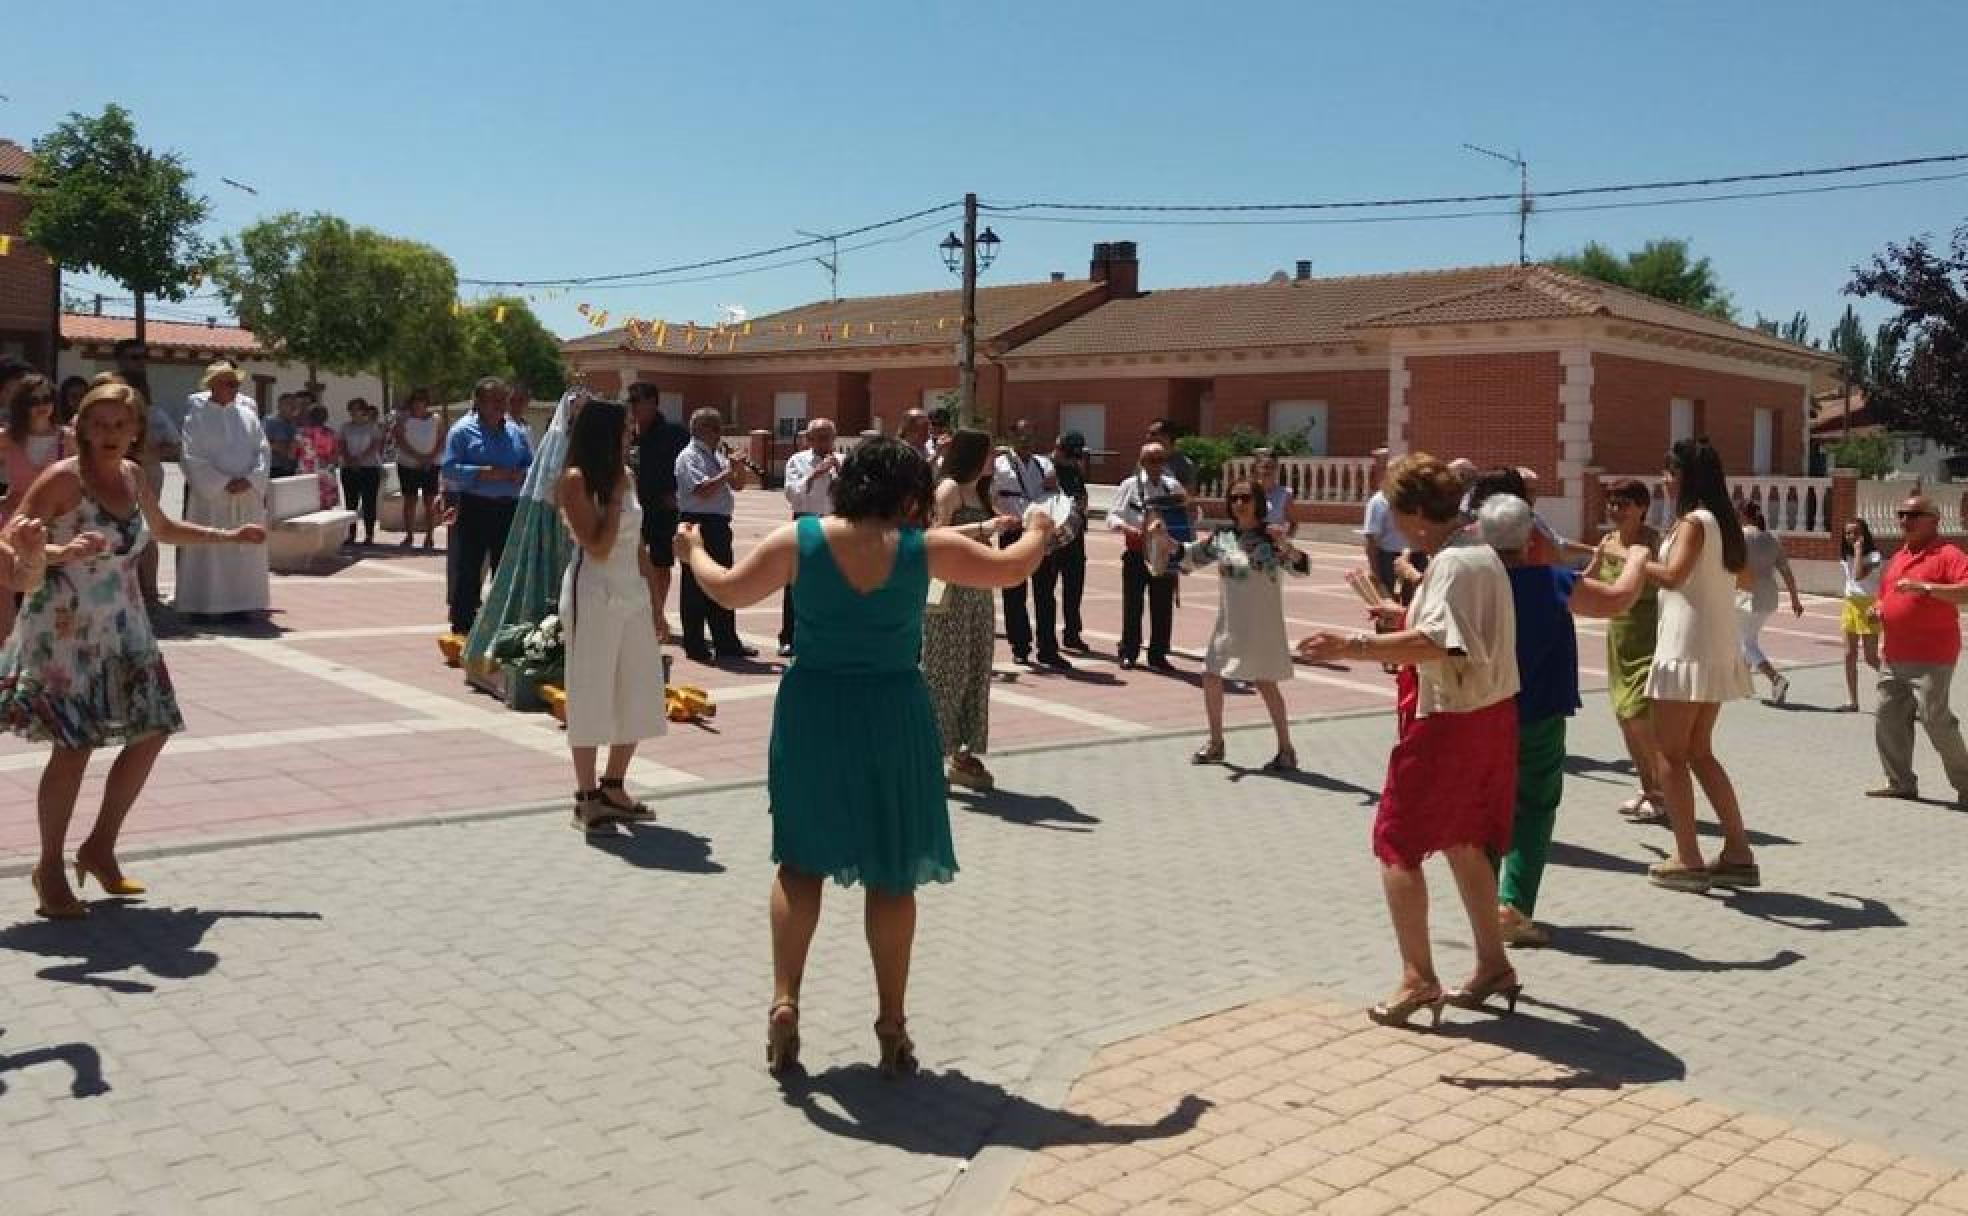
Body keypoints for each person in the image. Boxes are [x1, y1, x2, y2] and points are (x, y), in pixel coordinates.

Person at [673, 436, 1051, 1077]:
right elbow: (1014, 568)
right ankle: (892, 1021)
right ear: (906, 493)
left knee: (800, 865)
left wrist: (693, 550)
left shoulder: (802, 541)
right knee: (892, 873)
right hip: (892, 712)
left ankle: (786, 999)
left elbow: (729, 593)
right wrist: (1040, 525)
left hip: (813, 711)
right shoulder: (921, 549)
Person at [0, 382, 263, 919]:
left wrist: (231, 536)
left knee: (152, 732)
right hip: (67, 631)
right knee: (72, 749)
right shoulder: (62, 480)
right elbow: (11, 541)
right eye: (99, 423)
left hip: (125, 627)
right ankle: (49, 868)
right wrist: (55, 550)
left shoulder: (134, 476)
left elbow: (163, 527)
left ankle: (99, 846)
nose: (110, 434)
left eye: (120, 424)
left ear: (137, 429)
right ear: (82, 426)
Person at [1296, 453, 1522, 1028]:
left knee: (1396, 843)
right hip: (1489, 715)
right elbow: (1452, 632)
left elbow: (1438, 643)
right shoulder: (1479, 553)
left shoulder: (1449, 564)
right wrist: (1391, 614)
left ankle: (1418, 978)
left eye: (1397, 510)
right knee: (1464, 840)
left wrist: (1354, 645)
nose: (1393, 522)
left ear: (1417, 512)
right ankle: (1493, 965)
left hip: (1448, 719)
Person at [1479, 494, 1649, 948]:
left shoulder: (1472, 580)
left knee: (1488, 811)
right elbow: (1618, 600)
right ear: (1531, 538)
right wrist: (1636, 557)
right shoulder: (1550, 582)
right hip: (1537, 712)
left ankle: (1483, 906)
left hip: (1481, 711)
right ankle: (1512, 906)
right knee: (1533, 809)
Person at [1641, 438, 1757, 894]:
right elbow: (1744, 577)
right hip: (1714, 647)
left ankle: (1687, 858)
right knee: (1698, 752)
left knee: (1670, 755)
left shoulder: (1692, 522)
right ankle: (1738, 852)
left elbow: (1672, 576)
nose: (1664, 480)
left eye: (1669, 472)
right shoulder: (1723, 522)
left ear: (1685, 476)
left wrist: (1634, 560)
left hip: (1685, 648)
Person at [556, 397, 667, 833]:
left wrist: (656, 603)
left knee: (640, 687)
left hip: (631, 593)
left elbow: (635, 545)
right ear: (604, 433)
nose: (632, 433)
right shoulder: (574, 480)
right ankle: (586, 797)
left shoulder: (627, 476)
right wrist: (617, 499)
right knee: (591, 688)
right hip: (594, 592)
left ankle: (615, 786)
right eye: (624, 427)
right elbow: (597, 547)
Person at [1154, 476, 1308, 771]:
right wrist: (1164, 540)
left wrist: (1286, 546)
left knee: (1266, 683)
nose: (1239, 504)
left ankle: (1286, 749)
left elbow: (1303, 568)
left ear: (1259, 502)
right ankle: (1216, 743)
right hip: (1230, 623)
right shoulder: (1223, 537)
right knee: (1210, 674)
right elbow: (1190, 557)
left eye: (1246, 498)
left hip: (1263, 623)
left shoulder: (1271, 537)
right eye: (1234, 498)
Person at [922, 430, 1016, 791]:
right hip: (948, 593)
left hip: (977, 593)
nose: (994, 460)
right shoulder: (948, 490)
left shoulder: (981, 491)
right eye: (990, 454)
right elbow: (933, 536)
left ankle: (962, 753)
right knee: (946, 673)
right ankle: (930, 755)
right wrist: (982, 526)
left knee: (976, 671)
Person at [1867, 495, 1968, 806]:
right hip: (1895, 655)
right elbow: (1884, 595)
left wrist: (1926, 588)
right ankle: (1900, 782)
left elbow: (1965, 592)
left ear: (1934, 520)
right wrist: (1878, 608)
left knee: (1935, 719)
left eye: (1913, 515)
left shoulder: (1948, 554)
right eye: (1901, 515)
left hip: (1932, 656)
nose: (1904, 521)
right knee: (1888, 719)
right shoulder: (1899, 557)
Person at [1595, 478, 1669, 824]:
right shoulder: (1607, 542)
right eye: (1611, 502)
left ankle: (1665, 793)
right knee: (1626, 721)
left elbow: (1663, 582)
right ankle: (1648, 789)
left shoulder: (1655, 542)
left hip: (1650, 640)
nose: (1615, 509)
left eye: (1623, 503)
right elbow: (1588, 580)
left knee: (1642, 720)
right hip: (1619, 642)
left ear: (1641, 507)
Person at [177, 361, 271, 621]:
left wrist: (251, 479)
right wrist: (221, 482)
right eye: (229, 383)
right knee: (211, 549)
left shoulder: (247, 413)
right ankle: (206, 605)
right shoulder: (196, 415)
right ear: (213, 385)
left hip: (246, 495)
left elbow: (262, 450)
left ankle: (243, 603)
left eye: (237, 384)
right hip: (212, 499)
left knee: (245, 551)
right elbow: (190, 455)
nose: (235, 388)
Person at [441, 377, 534, 638]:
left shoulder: (516, 431)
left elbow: (531, 464)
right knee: (469, 568)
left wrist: (522, 474)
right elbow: (449, 468)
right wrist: (481, 473)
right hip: (475, 506)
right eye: (494, 400)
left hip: (508, 508)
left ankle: (502, 626)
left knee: (505, 569)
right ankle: (462, 626)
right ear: (479, 402)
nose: (500, 405)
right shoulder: (462, 431)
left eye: (503, 399)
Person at [673, 407, 754, 662]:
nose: (721, 434)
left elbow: (737, 485)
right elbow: (701, 491)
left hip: (718, 525)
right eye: (717, 429)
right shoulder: (689, 457)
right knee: (695, 585)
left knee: (723, 581)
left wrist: (737, 469)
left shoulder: (715, 455)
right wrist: (726, 473)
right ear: (703, 429)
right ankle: (695, 645)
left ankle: (726, 641)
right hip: (696, 524)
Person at [0, 375, 71, 641]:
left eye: (47, 399)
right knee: (4, 590)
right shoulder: (7, 438)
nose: (43, 405)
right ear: (21, 405)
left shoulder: (69, 439)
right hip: (10, 520)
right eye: (34, 400)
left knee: (51, 589)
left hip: (54, 522)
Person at [1107, 443, 1185, 671]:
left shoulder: (1172, 487)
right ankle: (1128, 651)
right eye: (1151, 460)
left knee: (1162, 606)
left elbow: (1187, 515)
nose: (1156, 465)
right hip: (1136, 552)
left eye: (1160, 459)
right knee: (1132, 605)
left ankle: (1158, 654)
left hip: (1163, 553)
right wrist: (1127, 528)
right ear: (1141, 462)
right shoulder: (1129, 486)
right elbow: (1112, 517)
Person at [991, 419, 1062, 668]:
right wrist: (1000, 517)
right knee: (1014, 592)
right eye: (1022, 436)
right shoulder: (998, 465)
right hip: (1013, 531)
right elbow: (990, 496)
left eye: (1031, 436)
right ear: (1011, 437)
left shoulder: (1044, 464)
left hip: (1038, 533)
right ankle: (1020, 646)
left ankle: (1048, 648)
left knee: (1045, 593)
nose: (1027, 441)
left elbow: (1054, 495)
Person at [626, 384, 689, 642]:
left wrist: (676, 495)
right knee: (630, 563)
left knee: (661, 563)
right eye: (629, 401)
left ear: (653, 402)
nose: (633, 407)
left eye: (637, 401)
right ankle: (634, 616)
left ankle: (656, 613)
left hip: (661, 510)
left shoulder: (673, 434)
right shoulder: (628, 434)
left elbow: (687, 464)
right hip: (631, 509)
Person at [779, 418, 841, 657]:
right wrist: (815, 474)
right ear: (809, 439)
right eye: (819, 437)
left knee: (833, 582)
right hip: (807, 522)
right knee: (796, 580)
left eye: (828, 436)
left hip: (835, 525)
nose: (824, 442)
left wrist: (840, 471)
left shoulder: (843, 461)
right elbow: (793, 496)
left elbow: (858, 493)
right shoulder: (798, 461)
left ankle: (826, 635)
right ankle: (789, 637)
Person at [1736, 499, 1803, 703]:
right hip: (1769, 597)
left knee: (1746, 643)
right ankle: (1744, 686)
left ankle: (1776, 678)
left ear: (1741, 515)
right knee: (1749, 638)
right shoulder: (1772, 540)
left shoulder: (1739, 537)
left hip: (1746, 596)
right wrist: (1794, 599)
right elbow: (1786, 572)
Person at [1048, 431, 1091, 652]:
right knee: (1047, 589)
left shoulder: (1074, 468)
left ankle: (1072, 633)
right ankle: (1047, 638)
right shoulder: (1047, 469)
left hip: (1075, 536)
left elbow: (1080, 494)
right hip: (1054, 537)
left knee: (1074, 587)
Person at [1838, 518, 1883, 712]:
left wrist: (1858, 551)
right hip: (1850, 605)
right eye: (1848, 533)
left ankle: (1901, 687)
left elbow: (1857, 575)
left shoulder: (1874, 556)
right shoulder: (1844, 555)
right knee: (1849, 654)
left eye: (1856, 532)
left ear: (1864, 534)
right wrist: (1853, 552)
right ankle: (1852, 701)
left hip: (1869, 606)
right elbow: (1851, 581)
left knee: (1871, 658)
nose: (1851, 537)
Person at [391, 387, 444, 550]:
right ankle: (409, 535)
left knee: (430, 502)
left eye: (422, 401)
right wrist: (418, 456)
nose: (418, 404)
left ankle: (429, 536)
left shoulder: (436, 419)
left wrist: (430, 457)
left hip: (431, 464)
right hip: (408, 465)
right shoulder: (403, 420)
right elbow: (399, 440)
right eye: (415, 401)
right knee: (410, 501)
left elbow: (441, 439)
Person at [336, 398, 385, 546]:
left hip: (369, 468)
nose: (353, 412)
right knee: (351, 502)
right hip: (349, 468)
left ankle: (369, 534)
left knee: (369, 502)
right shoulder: (345, 427)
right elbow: (342, 445)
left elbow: (375, 446)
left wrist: (360, 459)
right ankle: (351, 534)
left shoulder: (372, 427)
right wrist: (349, 460)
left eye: (357, 409)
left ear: (363, 411)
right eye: (351, 410)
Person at [295, 402, 339, 509]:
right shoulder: (330, 434)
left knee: (306, 504)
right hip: (325, 472)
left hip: (306, 472)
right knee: (326, 505)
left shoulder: (301, 433)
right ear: (325, 417)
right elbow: (335, 456)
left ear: (308, 416)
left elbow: (293, 453)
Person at [1252, 451, 1296, 535]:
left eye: (1272, 467)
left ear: (1277, 469)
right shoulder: (1249, 491)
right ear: (1257, 468)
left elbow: (1293, 523)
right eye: (1265, 467)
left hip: (1274, 543)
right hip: (1251, 540)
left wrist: (1284, 535)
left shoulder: (1285, 494)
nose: (1268, 470)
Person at [1147, 419, 1195, 491]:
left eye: (1153, 434)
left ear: (1167, 437)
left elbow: (1188, 495)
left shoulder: (1184, 464)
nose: (1148, 437)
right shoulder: (1145, 460)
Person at [264, 392, 301, 478]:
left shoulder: (293, 424)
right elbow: (264, 442)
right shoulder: (270, 421)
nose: (293, 407)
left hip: (290, 468)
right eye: (288, 404)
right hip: (273, 469)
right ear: (279, 406)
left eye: (294, 404)